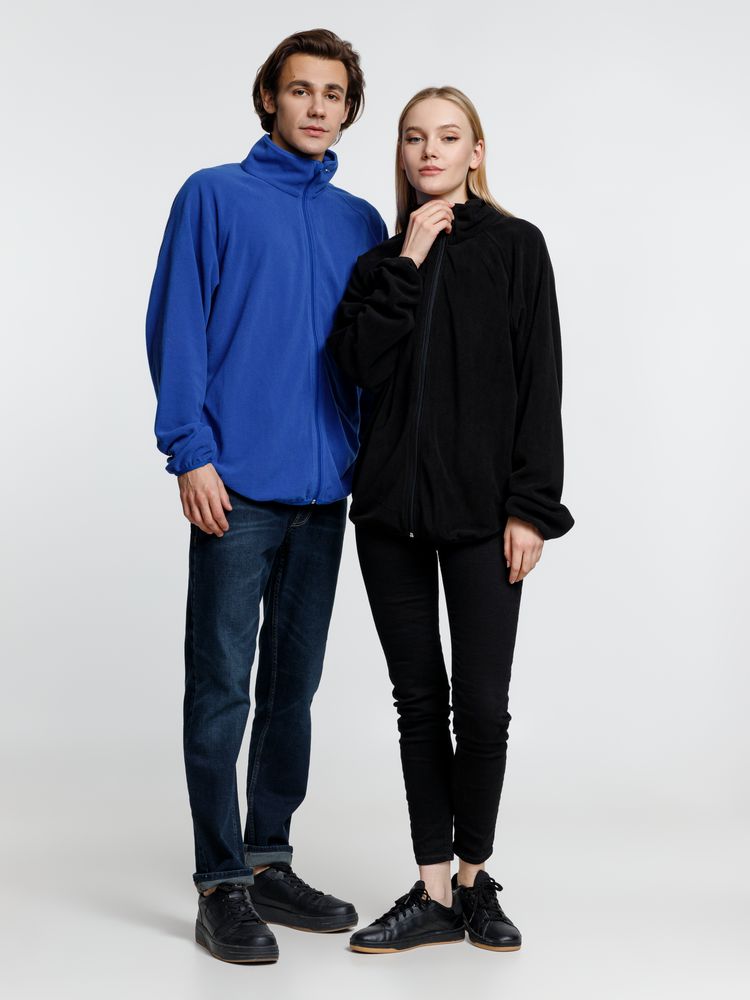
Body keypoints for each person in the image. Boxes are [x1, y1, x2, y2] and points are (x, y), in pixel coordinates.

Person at [145, 29, 388, 964]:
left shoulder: (361, 220)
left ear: (348, 110)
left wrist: (361, 458)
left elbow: (372, 351)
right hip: (235, 487)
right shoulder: (213, 196)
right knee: (220, 688)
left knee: (295, 688)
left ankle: (269, 857)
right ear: (269, 99)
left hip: (325, 497)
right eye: (301, 90)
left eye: (334, 94)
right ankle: (220, 882)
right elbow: (178, 327)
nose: (317, 107)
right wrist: (191, 453)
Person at [327, 86, 574, 955]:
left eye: (448, 136)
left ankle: (475, 879)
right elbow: (356, 365)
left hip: (484, 517)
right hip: (387, 515)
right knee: (418, 705)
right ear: (399, 153)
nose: (429, 151)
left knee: (484, 706)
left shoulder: (516, 247)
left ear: (476, 151)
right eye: (413, 137)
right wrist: (408, 261)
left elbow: (540, 380)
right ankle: (432, 891)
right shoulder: (381, 260)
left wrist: (530, 507)